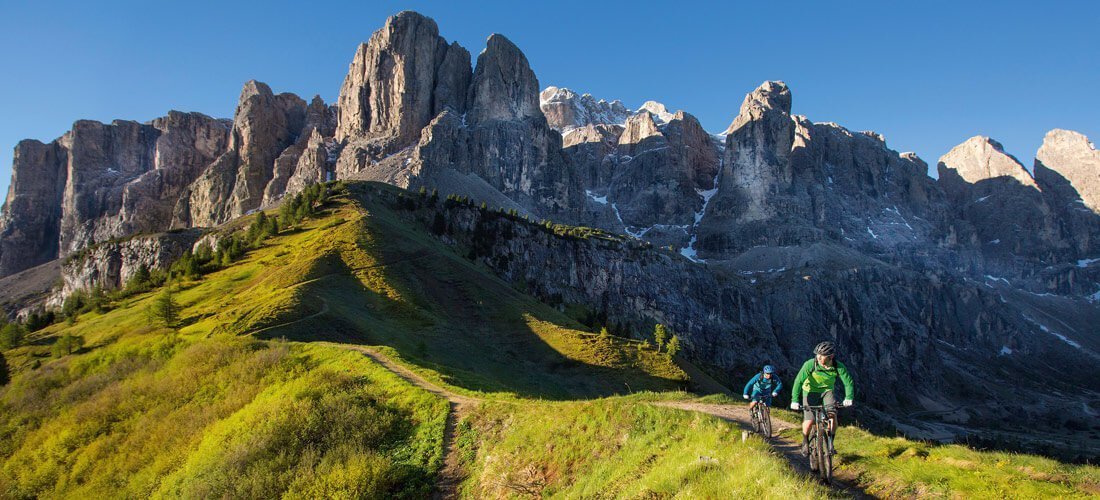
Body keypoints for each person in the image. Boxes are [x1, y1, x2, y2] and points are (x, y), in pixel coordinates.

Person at [789, 341, 855, 456]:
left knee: (832, 416)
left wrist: (848, 397)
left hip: (827, 392)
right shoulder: (810, 364)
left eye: (821, 355)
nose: (818, 357)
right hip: (810, 392)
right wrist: (794, 400)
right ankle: (805, 441)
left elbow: (848, 382)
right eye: (817, 355)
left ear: (831, 356)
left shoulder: (838, 366)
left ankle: (830, 443)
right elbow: (798, 381)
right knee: (809, 421)